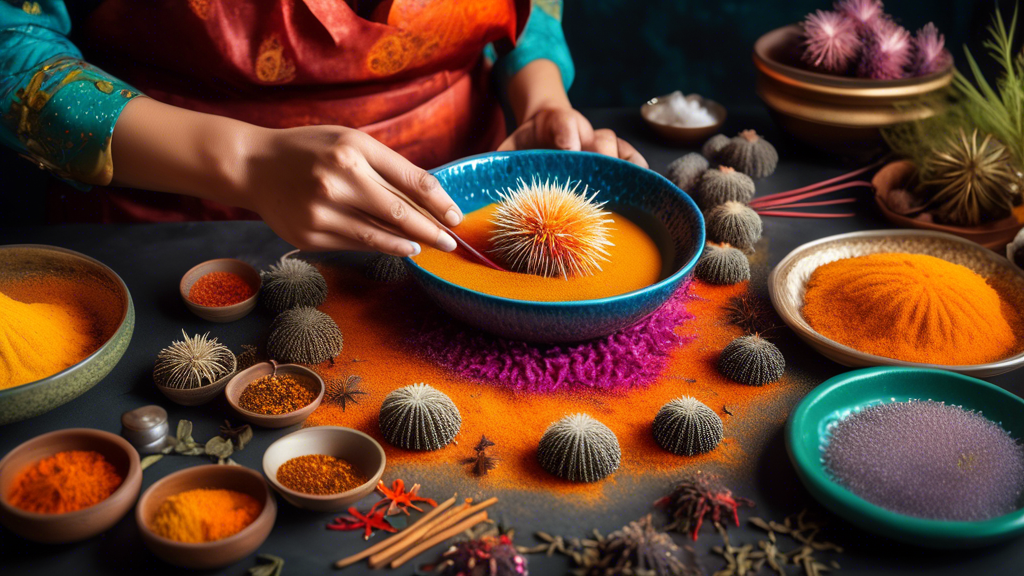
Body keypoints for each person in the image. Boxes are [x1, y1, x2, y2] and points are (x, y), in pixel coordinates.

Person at [0, 1, 646, 256]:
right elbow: (13, 43)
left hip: (470, 225)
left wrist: (540, 96)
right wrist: (247, 162)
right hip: (184, 235)